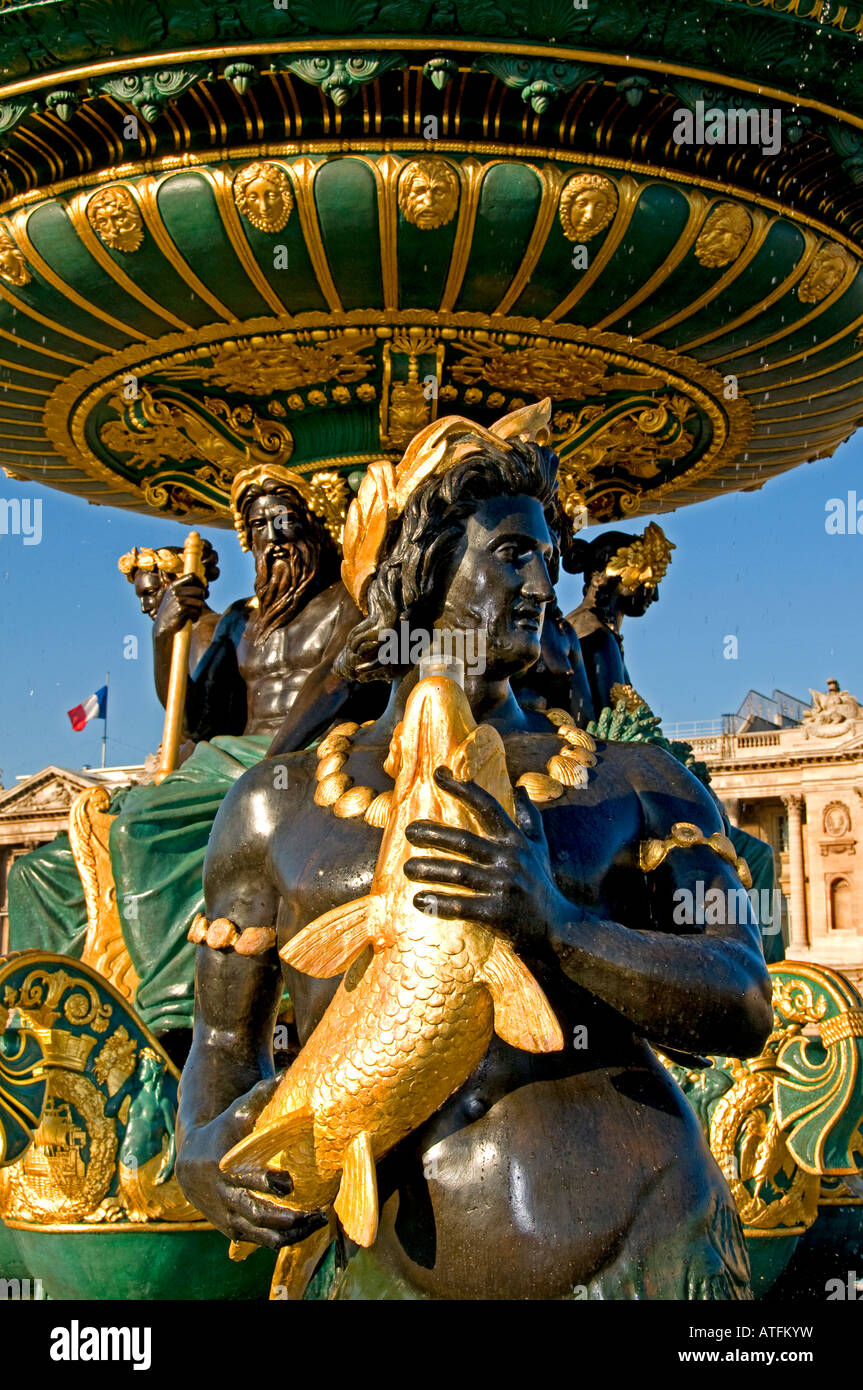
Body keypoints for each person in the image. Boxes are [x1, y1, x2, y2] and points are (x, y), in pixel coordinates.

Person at [177, 403, 771, 1300]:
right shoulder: (272, 808)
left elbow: (743, 1001)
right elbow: (223, 1045)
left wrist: (559, 929)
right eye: (512, 555)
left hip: (641, 1248)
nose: (543, 583)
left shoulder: (636, 782)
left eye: (546, 557)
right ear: (420, 568)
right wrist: (201, 1159)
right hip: (389, 1268)